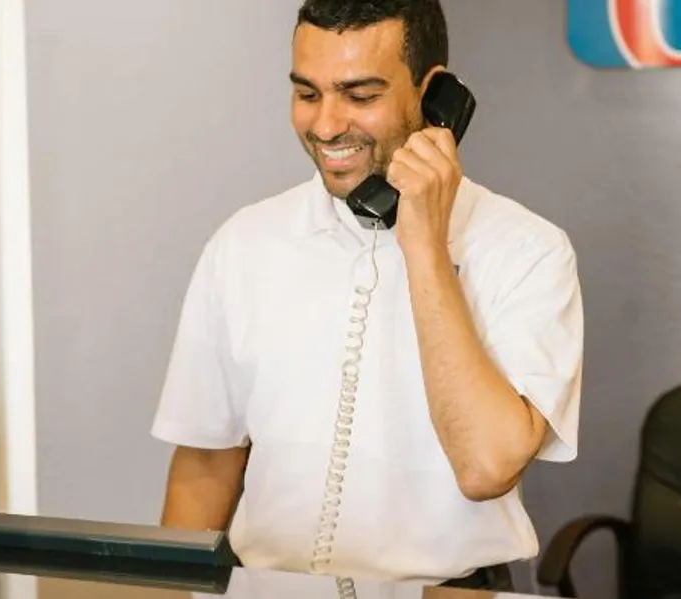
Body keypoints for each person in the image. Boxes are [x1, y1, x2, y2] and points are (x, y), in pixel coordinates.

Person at [151, 0, 583, 592]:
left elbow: (486, 467)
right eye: (307, 93)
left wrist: (424, 243)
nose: (327, 125)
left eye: (359, 96)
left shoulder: (527, 250)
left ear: (433, 96)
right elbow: (207, 460)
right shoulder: (244, 243)